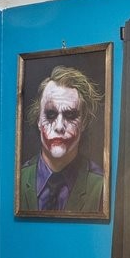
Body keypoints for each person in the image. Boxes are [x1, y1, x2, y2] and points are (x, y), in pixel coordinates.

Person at [17, 65, 107, 214]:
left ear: (83, 121)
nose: (59, 127)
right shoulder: (18, 180)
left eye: (70, 115)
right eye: (51, 114)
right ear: (39, 120)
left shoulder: (100, 186)